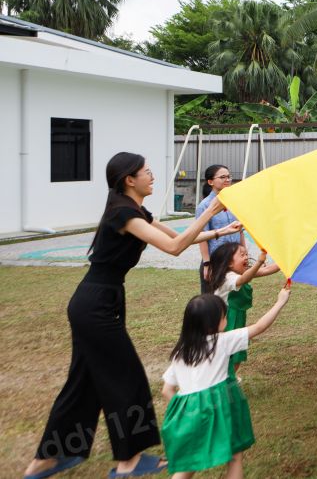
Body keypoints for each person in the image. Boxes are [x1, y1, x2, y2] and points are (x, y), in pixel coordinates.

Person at [24, 152, 241, 479]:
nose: (152, 177)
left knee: (82, 383)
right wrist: (210, 210)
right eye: (147, 172)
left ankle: (46, 459)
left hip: (102, 299)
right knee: (126, 378)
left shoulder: (137, 211)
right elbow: (173, 249)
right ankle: (129, 462)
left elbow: (176, 237)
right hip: (95, 303)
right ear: (130, 179)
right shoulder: (122, 212)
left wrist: (219, 233)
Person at [161, 284, 291, 477]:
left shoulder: (181, 352)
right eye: (224, 316)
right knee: (234, 455)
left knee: (189, 464)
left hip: (189, 416)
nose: (226, 318)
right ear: (213, 324)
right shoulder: (221, 342)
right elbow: (260, 326)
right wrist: (280, 301)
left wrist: (190, 411)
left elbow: (167, 390)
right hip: (217, 410)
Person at [204, 243, 281, 375]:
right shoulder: (227, 277)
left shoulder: (240, 272)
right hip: (226, 320)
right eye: (241, 255)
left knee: (236, 352)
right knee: (230, 352)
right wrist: (259, 262)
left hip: (236, 317)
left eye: (246, 254)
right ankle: (225, 378)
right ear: (229, 263)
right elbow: (243, 279)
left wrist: (286, 262)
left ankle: (228, 377)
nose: (246, 257)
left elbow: (266, 270)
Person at [197, 165, 244, 293]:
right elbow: (202, 237)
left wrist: (245, 254)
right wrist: (207, 264)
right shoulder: (204, 206)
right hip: (216, 261)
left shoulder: (234, 202)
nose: (227, 180)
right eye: (222, 177)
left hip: (235, 259)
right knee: (212, 301)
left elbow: (240, 231)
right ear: (210, 182)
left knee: (234, 298)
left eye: (229, 176)